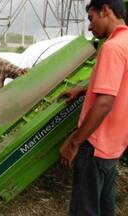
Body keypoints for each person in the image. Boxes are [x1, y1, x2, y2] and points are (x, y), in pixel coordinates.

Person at [60, 0, 128, 215]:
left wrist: (74, 142)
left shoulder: (112, 47)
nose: (90, 27)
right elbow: (120, 82)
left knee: (85, 210)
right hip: (114, 144)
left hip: (94, 145)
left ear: (105, 10)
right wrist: (84, 89)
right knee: (105, 207)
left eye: (91, 18)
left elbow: (105, 102)